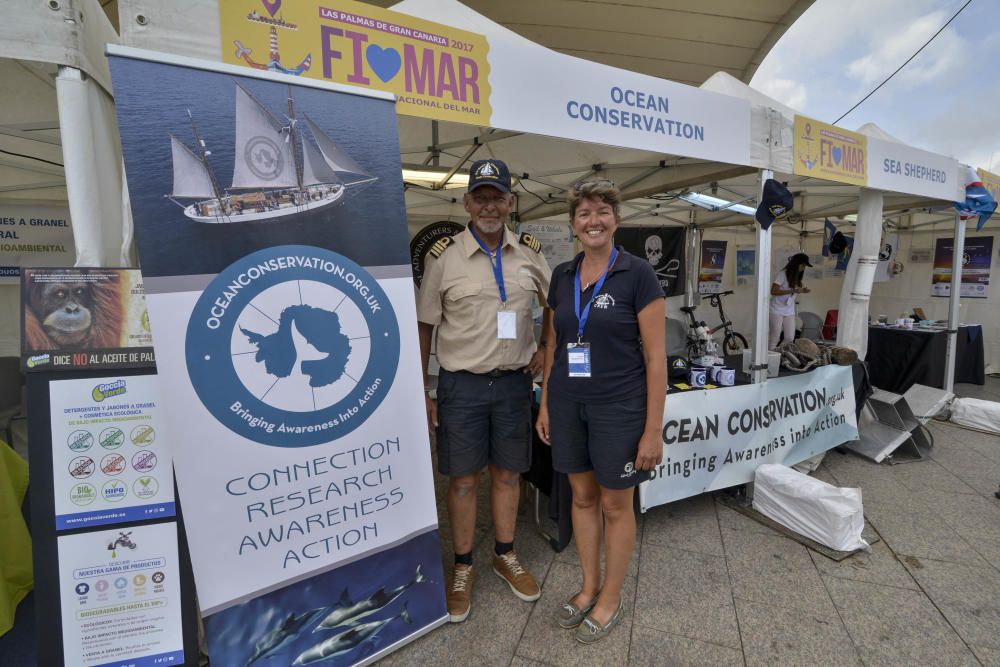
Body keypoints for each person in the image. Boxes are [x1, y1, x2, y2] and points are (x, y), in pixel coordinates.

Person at [416, 158, 552, 623]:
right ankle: (463, 565)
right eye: (481, 197)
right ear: (467, 202)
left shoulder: (530, 252)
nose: (489, 205)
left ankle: (505, 553)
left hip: (514, 384)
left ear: (510, 203)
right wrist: (422, 388)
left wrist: (546, 349)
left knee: (508, 473)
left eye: (498, 197)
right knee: (463, 479)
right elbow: (424, 324)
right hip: (462, 386)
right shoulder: (444, 256)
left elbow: (552, 304)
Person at [535, 179, 666, 644]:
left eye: (602, 211)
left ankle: (611, 595)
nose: (593, 220)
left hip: (620, 406)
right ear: (573, 223)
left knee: (615, 502)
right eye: (584, 213)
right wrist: (546, 402)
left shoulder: (637, 274)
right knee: (582, 498)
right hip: (569, 403)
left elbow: (656, 359)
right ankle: (588, 585)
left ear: (616, 219)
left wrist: (653, 430)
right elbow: (553, 343)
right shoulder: (562, 275)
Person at [769, 252, 812, 350]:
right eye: (803, 265)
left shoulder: (797, 276)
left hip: (789, 310)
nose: (803, 268)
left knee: (789, 338)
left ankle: (778, 354)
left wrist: (803, 290)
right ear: (796, 264)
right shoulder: (782, 273)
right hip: (776, 309)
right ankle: (770, 358)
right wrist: (793, 290)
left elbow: (795, 290)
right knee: (775, 337)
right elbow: (773, 291)